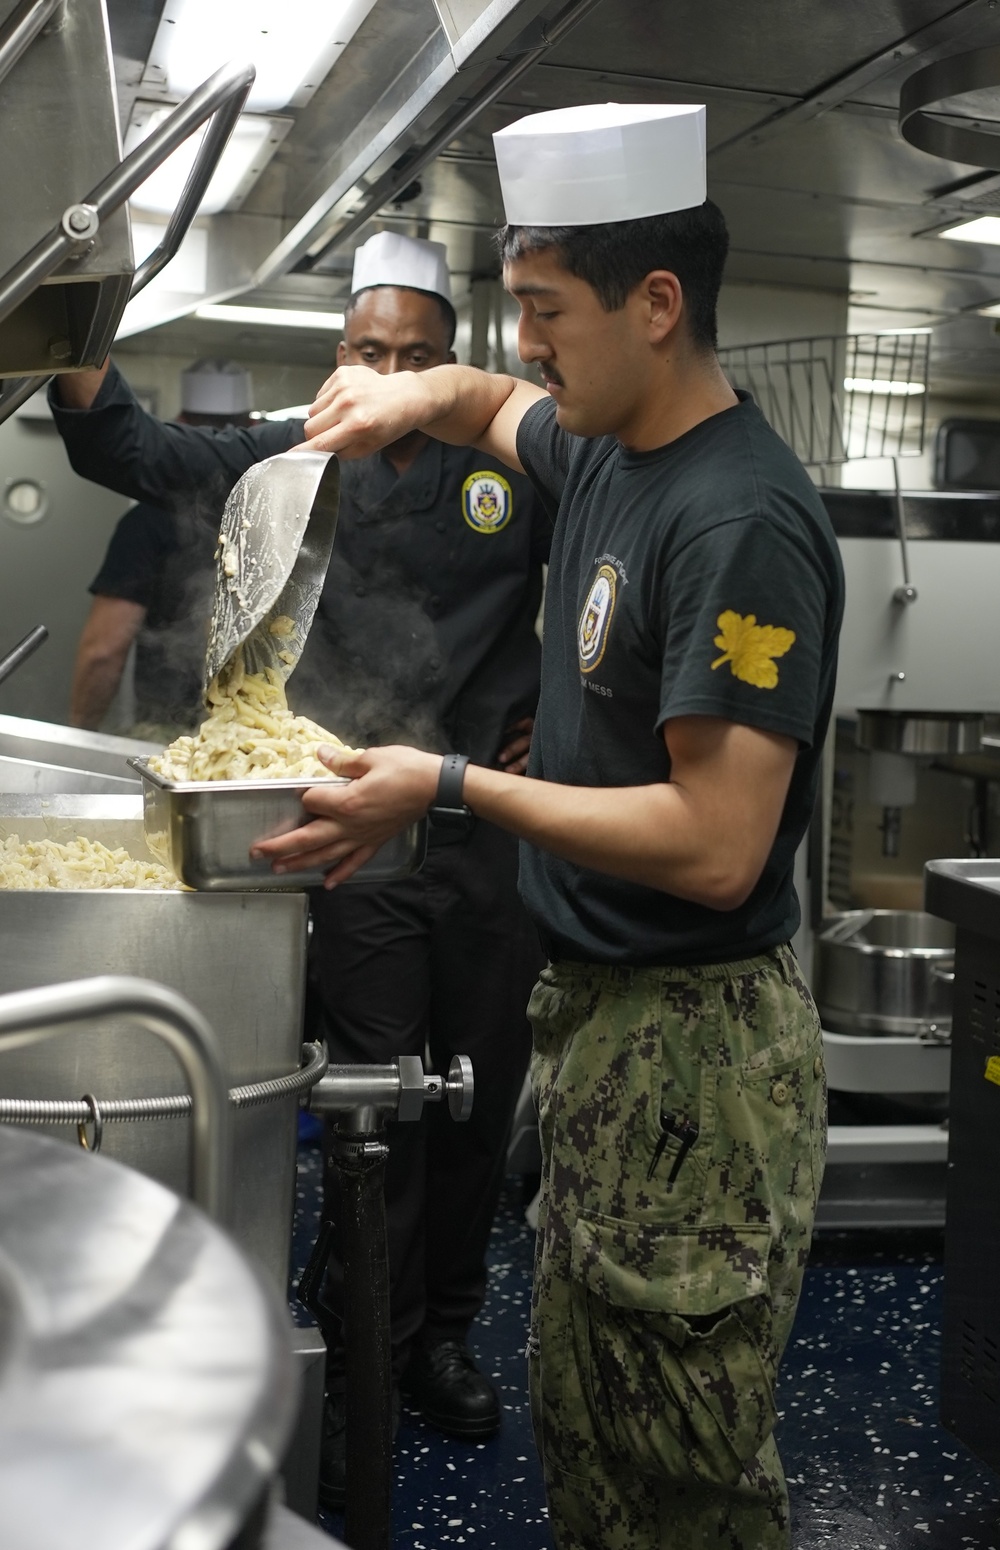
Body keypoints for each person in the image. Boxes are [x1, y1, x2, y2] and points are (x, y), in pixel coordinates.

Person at [252, 103, 845, 1550]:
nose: (525, 345)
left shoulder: (733, 519)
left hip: (696, 1057)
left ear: (656, 306)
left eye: (544, 311)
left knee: (688, 1487)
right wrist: (400, 399)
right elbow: (474, 405)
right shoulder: (605, 447)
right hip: (601, 1028)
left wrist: (447, 783)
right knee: (597, 1456)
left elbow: (716, 841)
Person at [50, 231, 549, 1508]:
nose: (385, 371)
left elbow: (618, 558)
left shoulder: (509, 468)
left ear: (452, 367)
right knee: (381, 1108)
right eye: (367, 349)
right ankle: (365, 1362)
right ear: (341, 354)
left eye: (415, 356)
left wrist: (565, 705)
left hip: (485, 837)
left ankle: (442, 1331)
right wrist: (71, 316)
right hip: (355, 840)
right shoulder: (288, 447)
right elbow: (129, 451)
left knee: (479, 1099)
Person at [70, 359, 254, 735]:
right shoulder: (270, 517)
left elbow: (103, 651)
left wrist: (79, 733)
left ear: (179, 427)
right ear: (253, 432)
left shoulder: (146, 521)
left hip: (165, 736)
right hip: (253, 738)